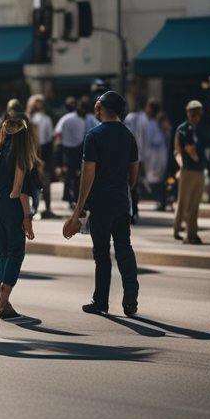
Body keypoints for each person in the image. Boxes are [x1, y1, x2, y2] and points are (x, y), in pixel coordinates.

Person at [63, 91, 140, 317]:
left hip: (100, 204)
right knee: (124, 249)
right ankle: (131, 298)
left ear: (102, 108)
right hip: (121, 202)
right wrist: (124, 188)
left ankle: (101, 301)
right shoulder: (128, 135)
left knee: (102, 254)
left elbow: (88, 176)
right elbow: (134, 173)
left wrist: (77, 211)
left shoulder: (94, 135)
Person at [0, 109, 40, 320]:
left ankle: (5, 303)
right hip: (11, 207)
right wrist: (27, 218)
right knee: (16, 254)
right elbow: (19, 190)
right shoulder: (21, 155)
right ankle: (1, 304)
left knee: (2, 254)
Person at [125, 100, 168, 222]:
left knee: (135, 185)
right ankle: (133, 210)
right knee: (133, 185)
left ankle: (134, 211)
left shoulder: (152, 123)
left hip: (142, 158)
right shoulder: (138, 119)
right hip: (136, 157)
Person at [174, 100, 207, 245]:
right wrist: (182, 165)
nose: (196, 115)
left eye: (198, 112)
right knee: (184, 203)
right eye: (193, 112)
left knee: (195, 204)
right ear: (188, 113)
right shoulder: (183, 129)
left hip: (199, 170)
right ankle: (177, 230)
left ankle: (192, 233)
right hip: (188, 169)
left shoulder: (200, 129)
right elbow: (181, 150)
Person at [27, 94, 58, 219]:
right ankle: (32, 208)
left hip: (42, 154)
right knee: (32, 182)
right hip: (31, 154)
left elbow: (49, 140)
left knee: (45, 182)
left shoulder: (46, 119)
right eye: (36, 103)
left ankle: (47, 208)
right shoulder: (29, 118)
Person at [54, 99, 89, 207]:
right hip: (75, 148)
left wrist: (64, 141)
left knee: (70, 173)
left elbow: (57, 132)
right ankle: (72, 196)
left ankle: (70, 196)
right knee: (75, 173)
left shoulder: (68, 118)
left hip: (69, 147)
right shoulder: (80, 119)